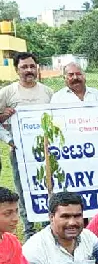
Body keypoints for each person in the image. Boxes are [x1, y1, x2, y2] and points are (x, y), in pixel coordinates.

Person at [0, 52, 54, 240]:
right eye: (24, 67)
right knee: (24, 192)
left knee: (47, 188)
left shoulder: (47, 92)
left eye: (32, 66)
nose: (29, 70)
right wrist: (10, 140)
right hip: (20, 153)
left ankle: (48, 230)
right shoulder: (7, 92)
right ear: (17, 70)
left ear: (37, 68)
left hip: (45, 153)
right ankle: (30, 233)